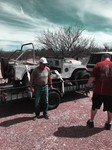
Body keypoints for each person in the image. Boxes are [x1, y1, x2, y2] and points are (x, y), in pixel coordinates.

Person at [86, 54, 112, 130]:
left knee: (95, 107)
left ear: (103, 58)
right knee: (110, 109)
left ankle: (91, 122)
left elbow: (92, 78)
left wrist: (87, 85)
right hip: (110, 92)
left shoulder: (98, 64)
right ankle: (108, 124)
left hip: (98, 91)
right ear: (109, 58)